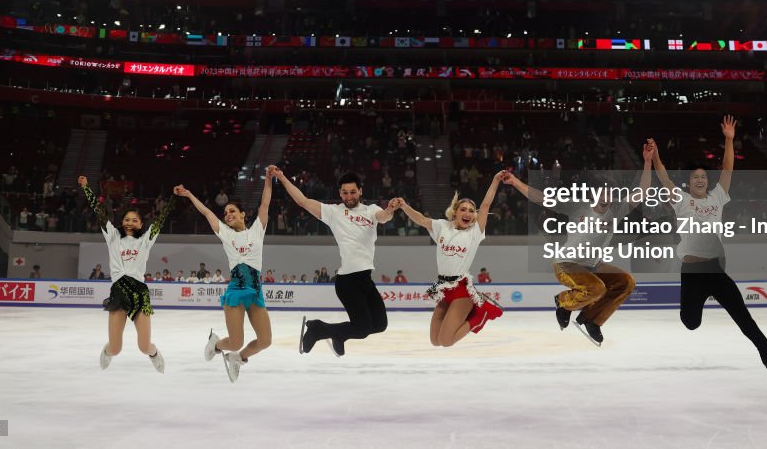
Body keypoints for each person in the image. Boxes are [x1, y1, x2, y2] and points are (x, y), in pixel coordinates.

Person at [651, 117, 767, 378]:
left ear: (707, 182)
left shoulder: (717, 197)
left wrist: (730, 139)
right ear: (688, 183)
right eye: (694, 177)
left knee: (743, 317)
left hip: (716, 270)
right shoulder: (681, 200)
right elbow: (663, 175)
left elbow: (728, 170)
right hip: (692, 272)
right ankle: (696, 305)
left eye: (702, 177)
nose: (699, 179)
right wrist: (654, 156)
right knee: (691, 323)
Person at [501, 141, 653, 347]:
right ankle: (563, 302)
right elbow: (542, 199)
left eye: (610, 192)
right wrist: (516, 182)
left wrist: (647, 162)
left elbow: (643, 191)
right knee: (596, 288)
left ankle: (591, 320)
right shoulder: (577, 207)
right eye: (602, 191)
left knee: (626, 282)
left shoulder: (617, 210)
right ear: (594, 194)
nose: (606, 195)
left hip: (593, 265)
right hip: (567, 263)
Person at [272, 166, 399, 356]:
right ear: (340, 193)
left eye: (353, 192)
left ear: (360, 191)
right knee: (362, 329)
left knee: (380, 325)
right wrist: (281, 177)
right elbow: (302, 201)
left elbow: (384, 216)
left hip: (365, 279)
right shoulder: (334, 212)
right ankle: (317, 329)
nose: (349, 197)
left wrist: (390, 209)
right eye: (345, 193)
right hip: (347, 281)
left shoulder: (371, 211)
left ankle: (338, 335)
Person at [175, 169, 273, 383]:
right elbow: (207, 213)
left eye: (232, 211)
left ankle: (238, 358)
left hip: (256, 291)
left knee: (265, 340)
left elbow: (264, 204)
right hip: (236, 290)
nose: (228, 215)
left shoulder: (257, 230)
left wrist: (268, 179)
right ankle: (217, 344)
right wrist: (189, 194)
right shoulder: (226, 234)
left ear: (243, 214)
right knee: (236, 340)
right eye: (226, 213)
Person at [399, 171, 505, 347]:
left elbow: (485, 205)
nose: (468, 213)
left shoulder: (475, 232)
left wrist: (495, 180)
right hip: (442, 287)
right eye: (463, 209)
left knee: (446, 341)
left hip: (462, 290)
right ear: (455, 212)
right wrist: (404, 206)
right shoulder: (443, 227)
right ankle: (474, 312)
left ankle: (480, 315)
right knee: (435, 341)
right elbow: (422, 219)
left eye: (471, 211)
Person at [80, 175, 172, 374]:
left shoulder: (146, 240)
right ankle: (106, 351)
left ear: (141, 224)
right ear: (122, 222)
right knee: (115, 348)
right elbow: (100, 212)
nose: (130, 222)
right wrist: (87, 188)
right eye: (127, 219)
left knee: (144, 346)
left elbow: (161, 219)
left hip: (139, 293)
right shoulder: (112, 236)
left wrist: (173, 198)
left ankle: (155, 354)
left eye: (135, 220)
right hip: (118, 292)